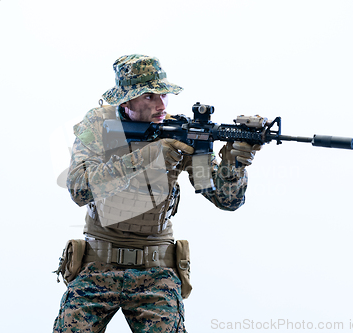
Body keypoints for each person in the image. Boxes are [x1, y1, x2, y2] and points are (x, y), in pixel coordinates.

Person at [53, 54, 260, 333]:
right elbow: (78, 188)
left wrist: (235, 159)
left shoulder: (181, 134)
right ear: (125, 100)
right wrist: (150, 156)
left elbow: (225, 199)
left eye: (163, 95)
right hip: (96, 266)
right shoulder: (98, 125)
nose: (161, 104)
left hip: (156, 272)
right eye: (149, 96)